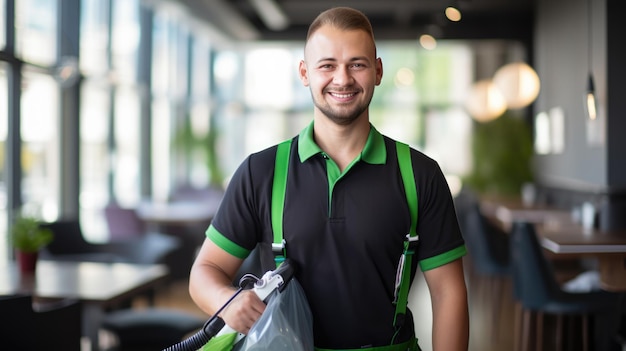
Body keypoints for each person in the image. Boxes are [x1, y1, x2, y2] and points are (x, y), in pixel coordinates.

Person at [189, 6, 469, 351]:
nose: (343, 79)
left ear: (377, 71)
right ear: (305, 73)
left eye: (357, 64)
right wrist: (227, 299)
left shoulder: (420, 174)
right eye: (327, 66)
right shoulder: (260, 172)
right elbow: (205, 270)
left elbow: (448, 292)